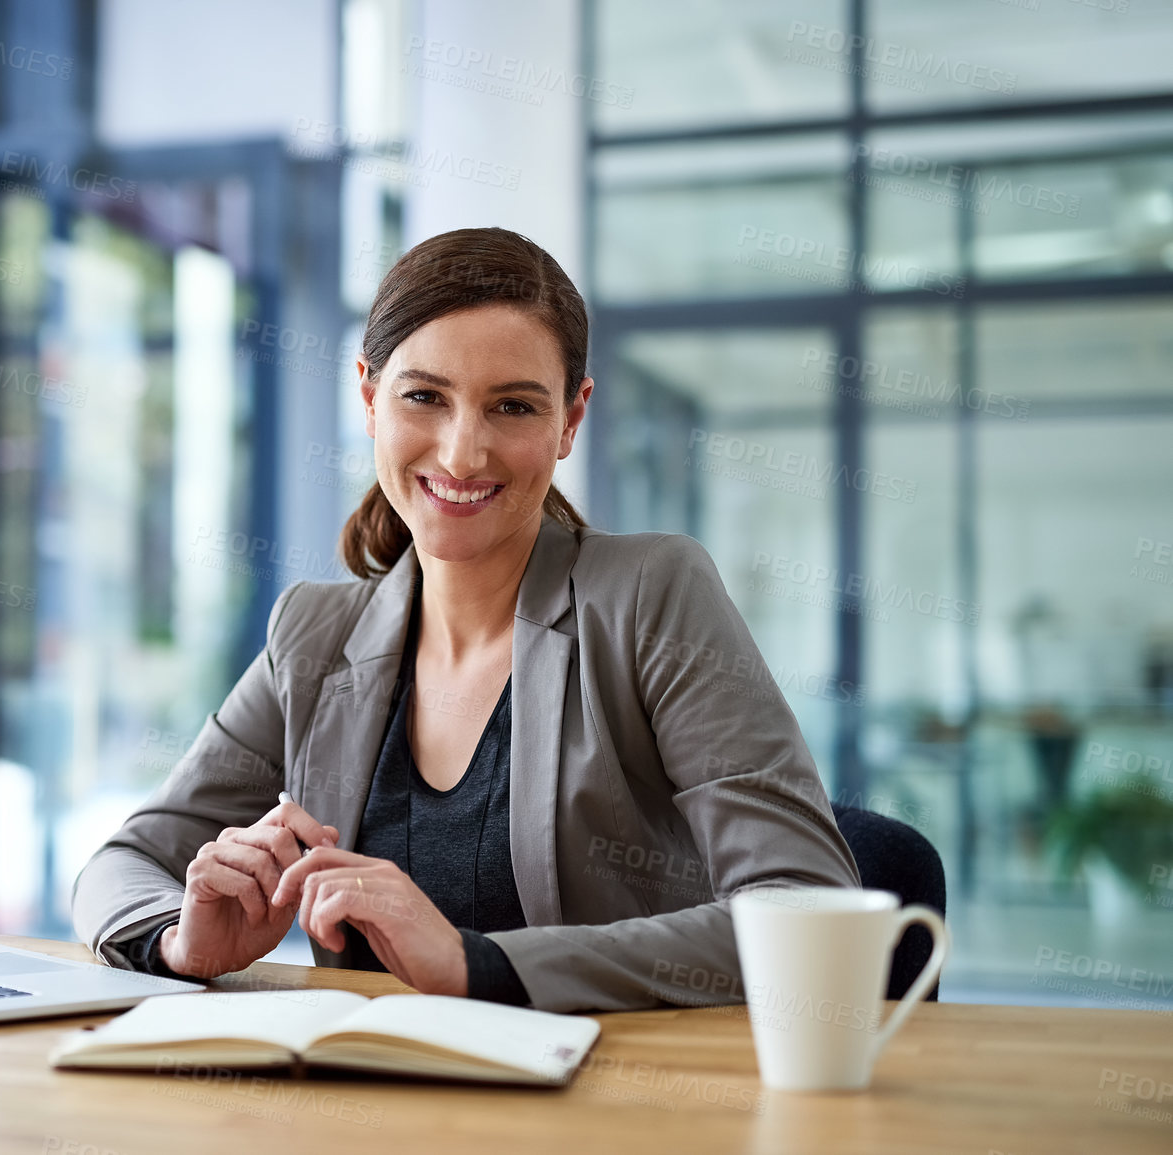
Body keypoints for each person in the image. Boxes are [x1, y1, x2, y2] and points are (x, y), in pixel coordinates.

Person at [71, 226, 861, 1013]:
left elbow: (808, 909)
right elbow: (125, 861)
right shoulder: (312, 635)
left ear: (569, 420)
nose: (460, 454)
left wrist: (473, 963)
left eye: (512, 406)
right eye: (424, 396)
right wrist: (175, 940)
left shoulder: (651, 591)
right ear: (369, 397)